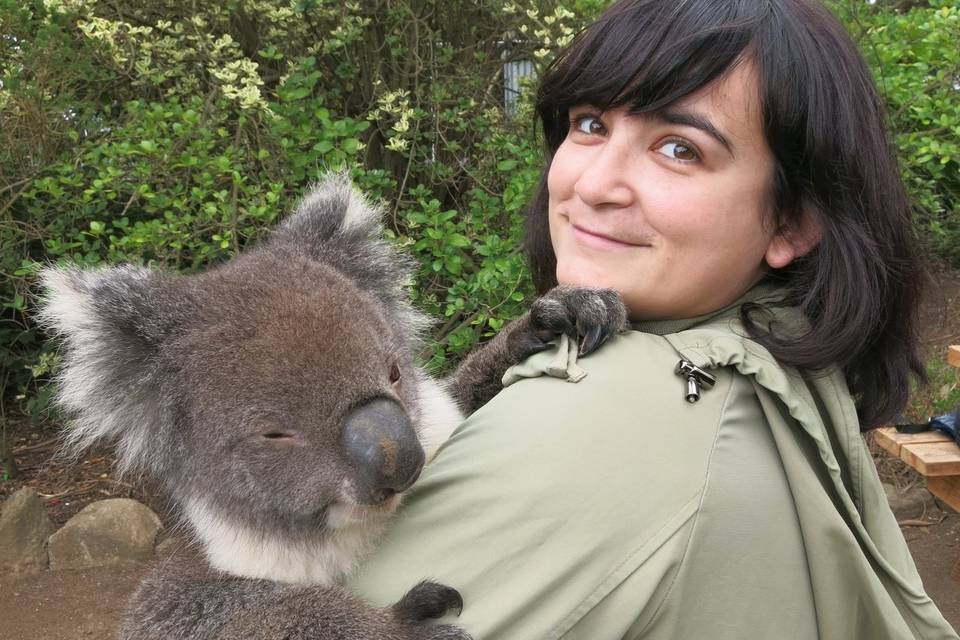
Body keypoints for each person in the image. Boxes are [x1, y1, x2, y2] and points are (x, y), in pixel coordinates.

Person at [346, 0, 959, 638]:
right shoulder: (780, 354)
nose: (592, 184)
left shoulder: (592, 424)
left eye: (678, 148)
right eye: (589, 124)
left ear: (792, 221)